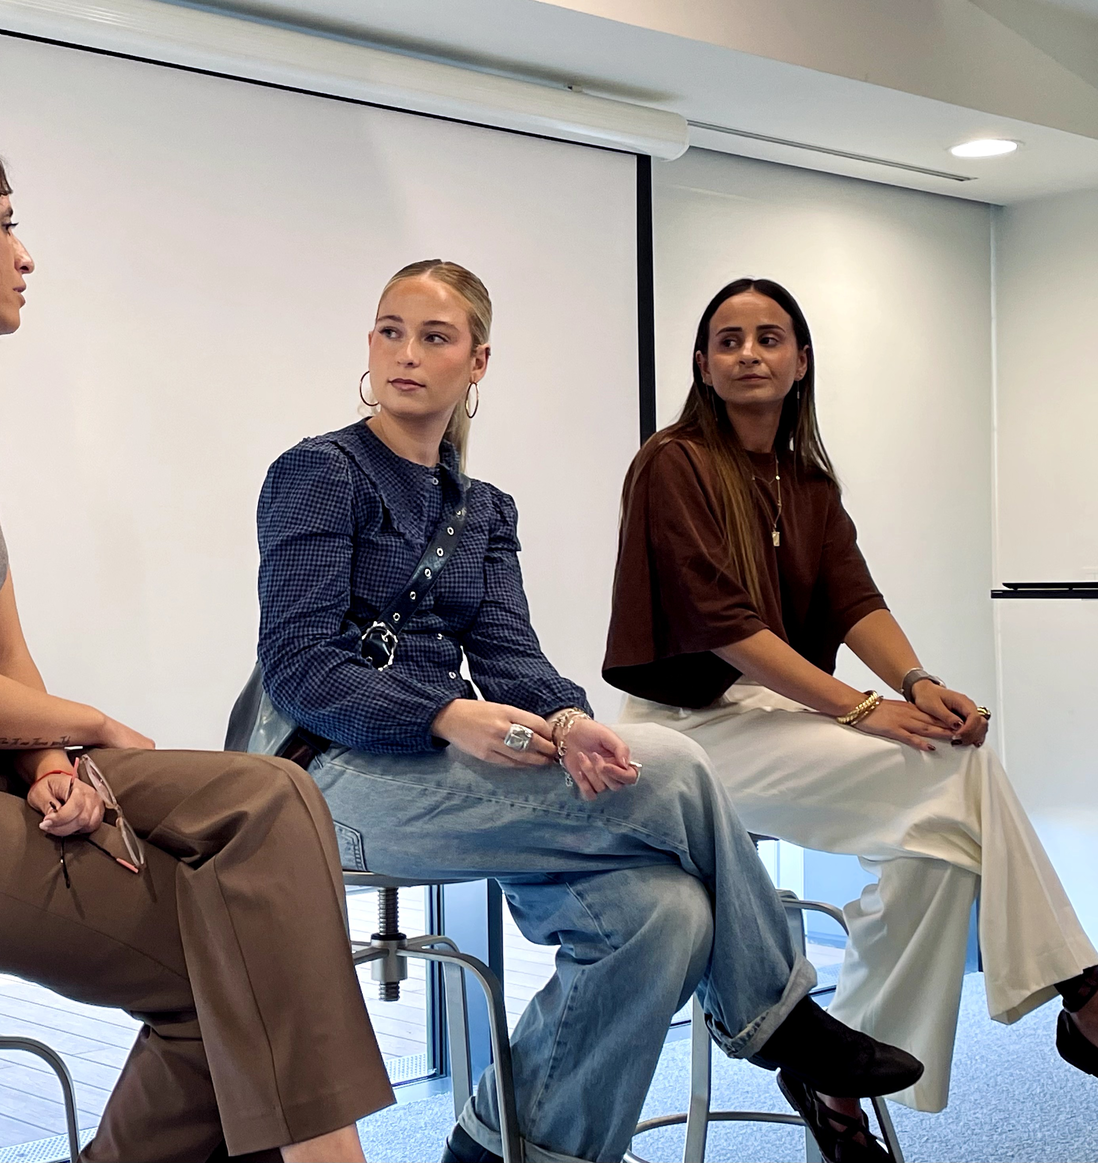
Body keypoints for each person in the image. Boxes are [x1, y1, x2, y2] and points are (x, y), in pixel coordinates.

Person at [0, 126, 393, 1163]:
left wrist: (53, 758)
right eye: (5, 224)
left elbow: (0, 651)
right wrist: (86, 724)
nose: (26, 253)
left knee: (271, 796)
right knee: (230, 969)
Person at [254, 259, 923, 1163]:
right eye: (389, 330)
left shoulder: (482, 509)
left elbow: (511, 657)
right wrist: (450, 714)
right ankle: (778, 1016)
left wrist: (567, 723)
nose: (405, 354)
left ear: (478, 363)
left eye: (435, 337)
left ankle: (504, 1152)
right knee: (681, 762)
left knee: (667, 915)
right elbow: (297, 665)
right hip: (325, 785)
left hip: (436, 776)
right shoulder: (318, 473)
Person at [604, 276, 1098, 1122]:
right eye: (728, 340)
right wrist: (861, 709)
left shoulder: (807, 483)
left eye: (768, 338)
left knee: (942, 822)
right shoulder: (671, 464)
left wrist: (919, 685)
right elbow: (724, 627)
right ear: (702, 365)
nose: (749, 353)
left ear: (800, 362)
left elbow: (854, 601)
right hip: (683, 734)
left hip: (765, 715)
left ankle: (838, 1086)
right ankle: (1082, 989)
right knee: (948, 792)